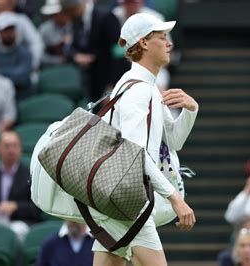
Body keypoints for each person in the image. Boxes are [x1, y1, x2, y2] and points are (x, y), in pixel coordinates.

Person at [90, 13, 197, 266]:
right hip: (128, 199)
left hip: (118, 197)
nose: (169, 43)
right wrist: (174, 197)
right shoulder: (138, 89)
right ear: (145, 43)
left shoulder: (144, 86)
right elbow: (134, 152)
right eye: (162, 37)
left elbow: (174, 141)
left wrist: (192, 110)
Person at [60, 0, 121, 101]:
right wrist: (76, 56)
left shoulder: (107, 17)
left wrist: (112, 85)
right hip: (90, 80)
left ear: (79, 6)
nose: (69, 14)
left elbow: (118, 53)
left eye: (71, 10)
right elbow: (70, 46)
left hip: (109, 78)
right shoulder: (75, 20)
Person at [0, 0, 43, 69]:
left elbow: (36, 43)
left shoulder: (22, 20)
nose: (2, 9)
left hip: (20, 62)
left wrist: (32, 64)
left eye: (4, 6)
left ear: (11, 6)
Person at [0, 12, 33, 101]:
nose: (9, 34)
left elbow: (22, 78)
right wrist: (13, 72)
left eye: (11, 29)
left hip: (21, 98)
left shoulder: (25, 53)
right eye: (6, 30)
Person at [38, 0, 72, 67]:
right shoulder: (44, 29)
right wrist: (58, 60)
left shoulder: (73, 25)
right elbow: (39, 55)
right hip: (52, 67)